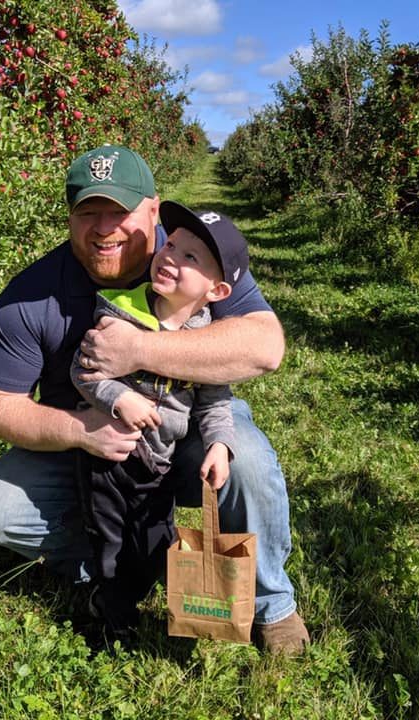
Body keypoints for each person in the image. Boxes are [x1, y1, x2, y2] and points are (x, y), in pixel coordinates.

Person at [0, 143, 310, 655]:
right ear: (69, 216)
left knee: (248, 460)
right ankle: (127, 564)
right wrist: (81, 429)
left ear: (153, 210)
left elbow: (266, 347)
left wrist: (140, 348)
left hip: (187, 428)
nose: (104, 228)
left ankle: (272, 606)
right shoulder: (31, 296)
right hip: (93, 450)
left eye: (120, 211)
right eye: (89, 212)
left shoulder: (195, 256)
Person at [70, 200, 248, 640]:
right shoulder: (120, 311)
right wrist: (118, 399)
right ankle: (115, 623)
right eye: (170, 245)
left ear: (216, 291)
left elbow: (215, 402)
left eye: (190, 257)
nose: (170, 256)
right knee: (110, 543)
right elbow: (84, 370)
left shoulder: (208, 341)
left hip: (160, 465)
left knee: (153, 545)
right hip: (108, 461)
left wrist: (220, 445)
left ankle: (131, 597)